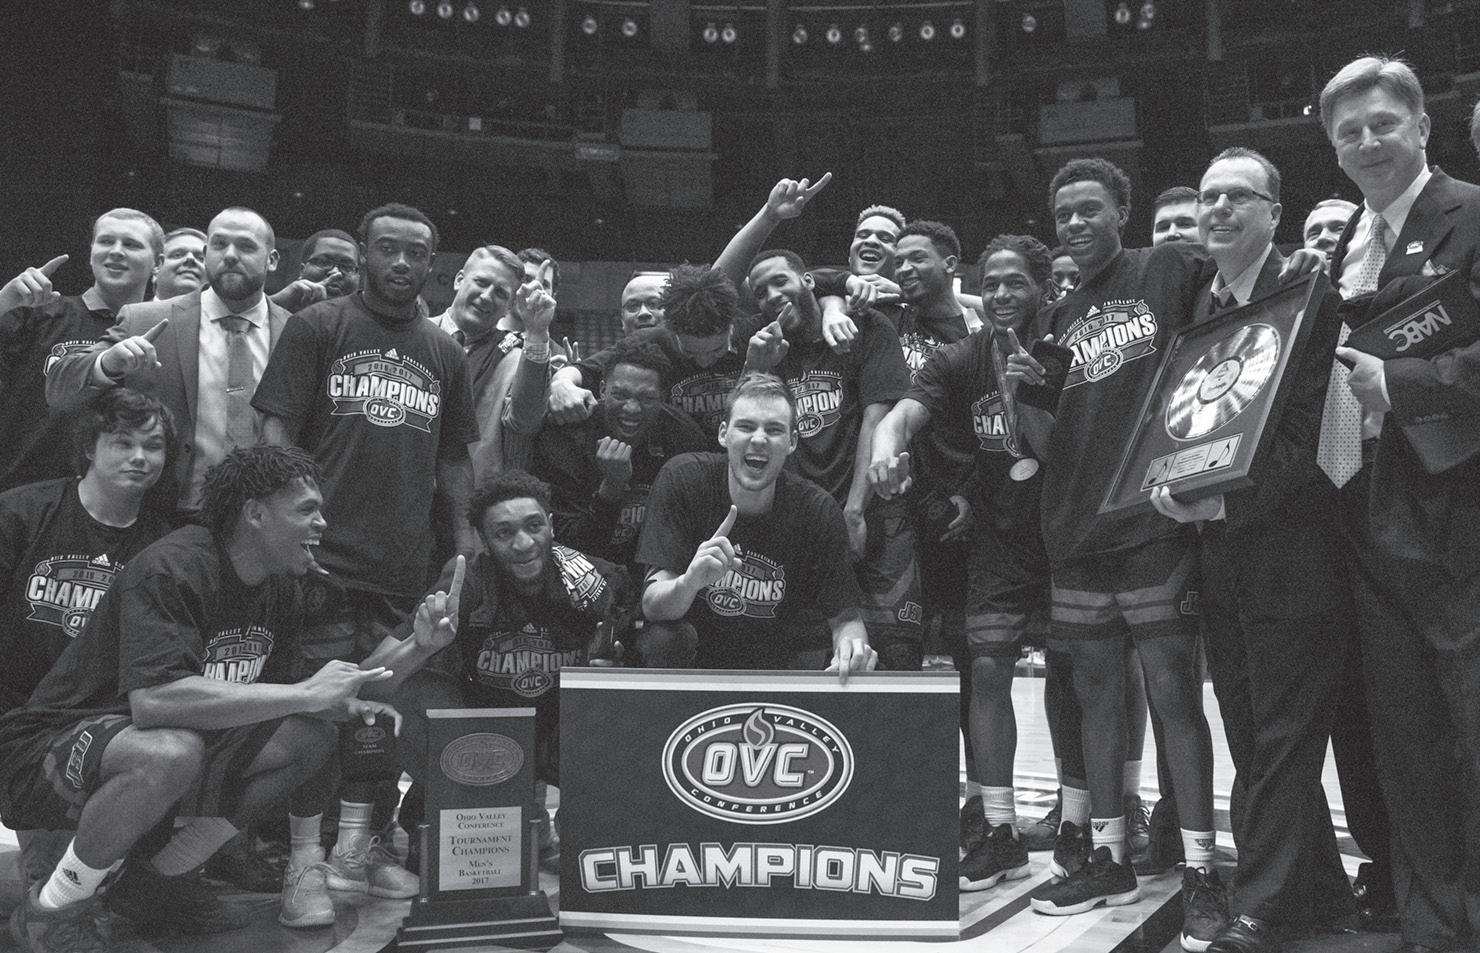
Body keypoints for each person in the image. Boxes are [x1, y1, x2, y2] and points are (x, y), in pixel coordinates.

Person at [0, 445, 401, 948]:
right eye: (307, 510)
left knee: (307, 737)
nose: (322, 523)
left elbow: (278, 701)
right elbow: (154, 702)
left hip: (150, 759)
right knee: (170, 751)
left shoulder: (281, 586)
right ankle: (55, 907)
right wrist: (302, 693)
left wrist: (412, 651)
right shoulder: (173, 566)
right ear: (255, 514)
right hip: (47, 753)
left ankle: (158, 880)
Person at [1150, 148, 1354, 953]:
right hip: (1219, 549)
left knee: (1283, 734)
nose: (1219, 208)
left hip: (1296, 546)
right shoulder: (1202, 303)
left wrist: (1225, 499)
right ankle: (1319, 892)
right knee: (1248, 726)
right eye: (1209, 195)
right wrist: (1174, 488)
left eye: (1240, 195)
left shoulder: (1309, 293)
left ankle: (1260, 903)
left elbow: (1317, 437)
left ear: (1275, 212)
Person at [1007, 158, 1218, 936]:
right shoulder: (1058, 317)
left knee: (1173, 695)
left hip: (1153, 516)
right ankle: (1109, 855)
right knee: (1096, 697)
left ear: (1122, 210)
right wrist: (1027, 391)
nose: (1075, 223)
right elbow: (1045, 443)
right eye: (1063, 213)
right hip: (1075, 526)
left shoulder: (1164, 267)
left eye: (1089, 208)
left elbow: (1231, 309)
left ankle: (1201, 869)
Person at [252, 202, 479, 899]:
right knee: (317, 713)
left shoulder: (444, 351)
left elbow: (454, 460)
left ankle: (362, 845)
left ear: (432, 264)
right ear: (364, 252)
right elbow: (275, 430)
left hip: (400, 562)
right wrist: (284, 526)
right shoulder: (319, 326)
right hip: (318, 559)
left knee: (381, 713)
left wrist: (463, 537)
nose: (402, 262)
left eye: (416, 252)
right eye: (388, 248)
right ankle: (303, 859)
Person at [1319, 55, 1480, 953]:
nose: (1367, 142)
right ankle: (1433, 924)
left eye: (1383, 123)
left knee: (1470, 727)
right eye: (1349, 132)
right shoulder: (1343, 243)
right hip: (1361, 510)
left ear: (1422, 126)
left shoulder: (1473, 211)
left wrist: (1406, 385)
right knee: (1406, 739)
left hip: (1459, 512)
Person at [870, 234, 1054, 894]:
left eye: (1016, 282)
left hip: (1063, 529)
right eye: (992, 283)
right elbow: (901, 417)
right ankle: (999, 829)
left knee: (1081, 676)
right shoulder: (960, 356)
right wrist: (886, 450)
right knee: (987, 669)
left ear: (1043, 288)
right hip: (995, 536)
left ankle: (1088, 822)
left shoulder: (1067, 344)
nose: (1002, 294)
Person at [388, 469, 628, 820]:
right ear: (484, 541)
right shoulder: (465, 582)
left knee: (620, 705)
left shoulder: (595, 580)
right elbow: (371, 679)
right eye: (504, 532)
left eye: (534, 526)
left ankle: (575, 823)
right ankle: (481, 810)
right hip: (483, 730)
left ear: (551, 525)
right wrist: (419, 648)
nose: (523, 544)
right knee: (415, 692)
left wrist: (619, 673)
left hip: (559, 732)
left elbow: (643, 676)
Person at [47, 206, 290, 518]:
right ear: (206, 254)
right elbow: (60, 392)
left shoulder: (296, 330)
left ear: (272, 259)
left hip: (262, 517)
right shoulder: (146, 319)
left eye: (245, 246)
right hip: (162, 513)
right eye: (219, 245)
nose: (230, 255)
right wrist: (108, 363)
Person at [744, 249, 921, 670]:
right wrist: (756, 367)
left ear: (808, 281)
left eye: (780, 281)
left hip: (874, 508)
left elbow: (877, 419)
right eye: (761, 292)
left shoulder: (866, 326)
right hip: (803, 519)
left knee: (895, 648)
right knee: (811, 652)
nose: (772, 295)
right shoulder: (764, 345)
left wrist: (855, 511)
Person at [636, 371, 876, 676]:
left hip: (772, 668)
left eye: (774, 430)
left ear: (792, 442)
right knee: (664, 638)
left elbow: (846, 621)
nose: (759, 439)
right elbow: (652, 606)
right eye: (746, 427)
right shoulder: (683, 479)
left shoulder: (818, 511)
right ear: (724, 435)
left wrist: (853, 651)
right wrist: (690, 583)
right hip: (691, 666)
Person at [0, 389, 175, 716]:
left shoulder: (166, 547)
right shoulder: (20, 513)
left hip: (95, 716)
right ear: (89, 448)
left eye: (153, 446)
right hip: (10, 703)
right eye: (123, 443)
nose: (139, 457)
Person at [1, 208, 162, 493]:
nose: (116, 251)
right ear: (91, 252)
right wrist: (3, 303)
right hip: (23, 490)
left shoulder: (163, 329)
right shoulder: (40, 313)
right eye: (106, 241)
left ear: (158, 263)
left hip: (125, 500)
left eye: (131, 244)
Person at [532, 336, 709, 578]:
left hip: (657, 575)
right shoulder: (566, 439)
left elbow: (691, 534)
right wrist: (612, 487)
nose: (632, 408)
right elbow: (570, 548)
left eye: (647, 398)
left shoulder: (683, 437)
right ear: (602, 390)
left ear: (663, 398)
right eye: (620, 395)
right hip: (586, 578)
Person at [546, 265, 749, 436]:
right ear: (672, 328)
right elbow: (582, 370)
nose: (704, 361)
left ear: (731, 328)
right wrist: (562, 384)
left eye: (717, 350)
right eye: (690, 352)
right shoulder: (651, 340)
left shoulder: (753, 337)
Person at [269, 228, 361, 313]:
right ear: (302, 270)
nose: (335, 272)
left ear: (358, 277)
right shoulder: (278, 312)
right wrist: (274, 303)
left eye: (347, 267)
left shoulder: (365, 321)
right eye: (324, 262)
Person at [152, 228, 206, 301]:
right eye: (177, 255)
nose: (190, 258)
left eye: (201, 258)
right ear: (156, 267)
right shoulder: (135, 308)